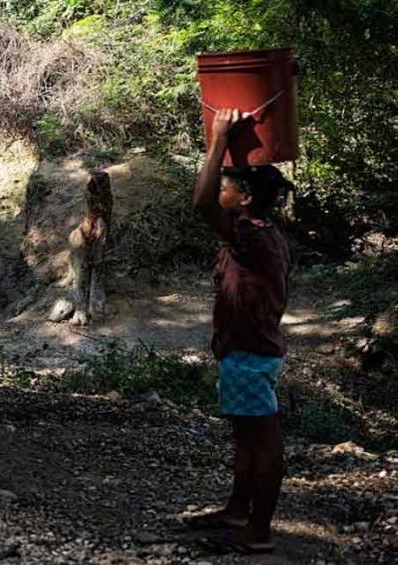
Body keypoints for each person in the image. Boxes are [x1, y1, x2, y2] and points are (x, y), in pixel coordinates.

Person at [188, 109, 292, 555]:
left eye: (228, 185)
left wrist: (217, 140)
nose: (221, 190)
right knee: (247, 436)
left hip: (250, 354)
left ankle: (258, 534)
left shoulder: (250, 237)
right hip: (247, 352)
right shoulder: (259, 232)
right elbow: (213, 203)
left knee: (263, 441)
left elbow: (201, 204)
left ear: (245, 197)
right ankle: (237, 510)